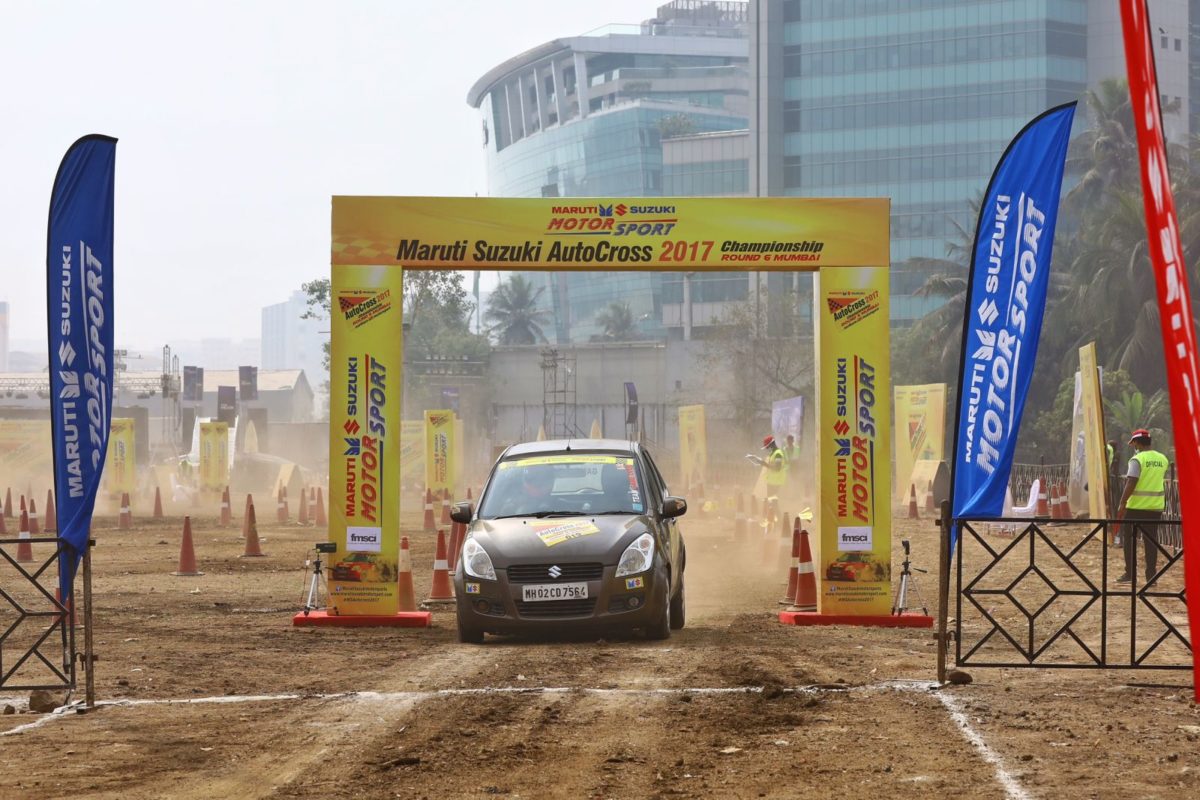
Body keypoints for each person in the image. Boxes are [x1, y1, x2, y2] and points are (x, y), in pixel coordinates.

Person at [1116, 429, 1168, 583]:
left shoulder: (1137, 459)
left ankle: (1130, 574)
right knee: (1151, 542)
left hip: (1135, 508)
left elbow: (1131, 481)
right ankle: (1151, 577)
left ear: (1137, 442)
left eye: (1134, 443)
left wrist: (1122, 502)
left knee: (1129, 541)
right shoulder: (1163, 459)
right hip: (1155, 507)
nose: (1134, 446)